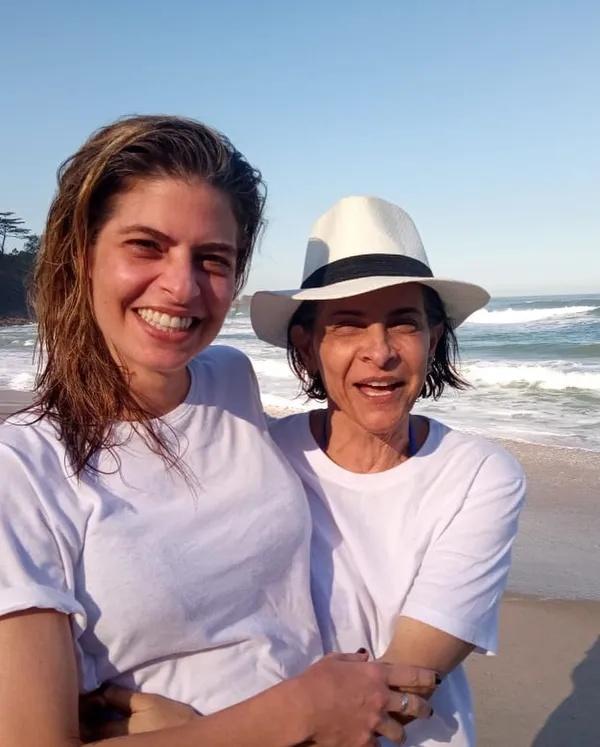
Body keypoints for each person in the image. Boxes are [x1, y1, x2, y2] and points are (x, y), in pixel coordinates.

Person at [0, 122, 436, 747]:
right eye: (146, 246)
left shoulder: (231, 380)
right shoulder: (24, 470)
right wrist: (297, 714)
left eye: (212, 259)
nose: (182, 287)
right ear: (82, 255)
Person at [100, 196, 525, 746]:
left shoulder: (477, 476)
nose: (380, 352)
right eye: (347, 326)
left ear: (433, 337)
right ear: (307, 346)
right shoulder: (260, 455)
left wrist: (200, 735)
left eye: (404, 324)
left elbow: (402, 687)